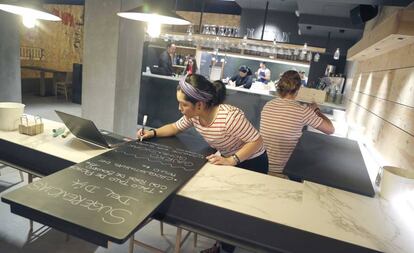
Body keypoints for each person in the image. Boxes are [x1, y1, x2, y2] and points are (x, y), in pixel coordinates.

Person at [138, 74, 269, 253]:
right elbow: (175, 127)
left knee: (232, 209)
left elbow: (256, 141)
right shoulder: (195, 116)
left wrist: (232, 160)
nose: (179, 108)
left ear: (199, 104)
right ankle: (220, 245)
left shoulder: (229, 117)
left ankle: (223, 249)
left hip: (253, 161)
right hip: (228, 158)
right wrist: (152, 133)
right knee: (222, 204)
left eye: (184, 104)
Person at [260, 70, 334, 178]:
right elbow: (330, 129)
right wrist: (316, 110)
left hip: (262, 164)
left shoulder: (268, 105)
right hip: (285, 170)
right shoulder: (302, 110)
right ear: (298, 89)